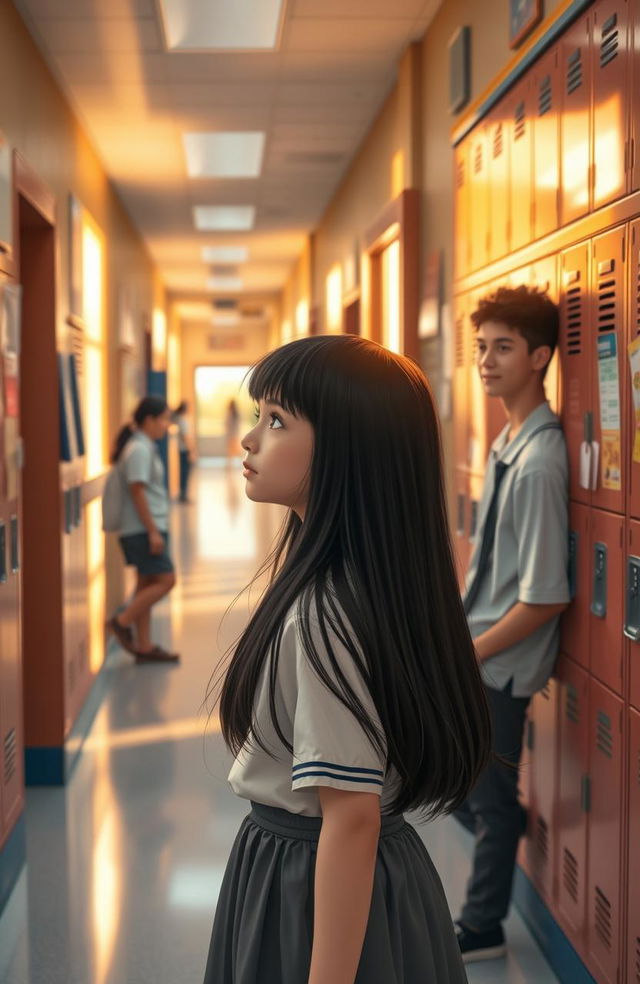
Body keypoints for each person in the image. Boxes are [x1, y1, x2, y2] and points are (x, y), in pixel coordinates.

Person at [203, 334, 494, 984]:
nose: (251, 440)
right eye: (258, 417)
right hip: (336, 872)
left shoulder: (326, 610)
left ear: (344, 451)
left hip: (312, 886)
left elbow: (352, 818)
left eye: (275, 420)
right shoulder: (362, 582)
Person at [453, 285, 570, 963]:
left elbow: (545, 595)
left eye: (502, 347)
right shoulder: (509, 442)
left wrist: (472, 654)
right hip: (484, 646)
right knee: (467, 788)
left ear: (539, 357)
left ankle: (483, 925)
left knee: (489, 800)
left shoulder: (542, 461)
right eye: (481, 348)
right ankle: (506, 829)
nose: (486, 361)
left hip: (501, 660)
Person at [106, 396, 180, 663]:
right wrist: (152, 531)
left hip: (146, 527)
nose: (166, 425)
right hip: (142, 529)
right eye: (163, 419)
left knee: (146, 583)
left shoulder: (143, 445)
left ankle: (145, 648)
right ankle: (121, 621)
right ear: (149, 420)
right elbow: (136, 490)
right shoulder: (139, 449)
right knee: (166, 580)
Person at [174, 400, 196, 503]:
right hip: (185, 450)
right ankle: (183, 495)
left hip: (183, 449)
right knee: (185, 473)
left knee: (184, 473)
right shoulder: (182, 420)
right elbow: (185, 437)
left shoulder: (180, 419)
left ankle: (183, 494)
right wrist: (191, 450)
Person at [224, 397, 241, 463]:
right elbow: (239, 425)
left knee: (230, 452)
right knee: (236, 451)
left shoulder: (229, 413)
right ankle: (241, 463)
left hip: (231, 435)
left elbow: (226, 424)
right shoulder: (237, 413)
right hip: (235, 434)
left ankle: (229, 466)